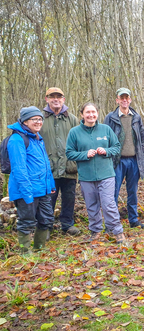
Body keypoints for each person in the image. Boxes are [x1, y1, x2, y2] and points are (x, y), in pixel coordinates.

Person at [66, 103, 125, 243]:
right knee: (92, 205)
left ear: (97, 113)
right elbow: (69, 153)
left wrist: (106, 151)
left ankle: (117, 231)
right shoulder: (74, 132)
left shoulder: (106, 129)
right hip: (86, 176)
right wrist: (84, 154)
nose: (91, 115)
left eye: (93, 112)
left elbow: (116, 147)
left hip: (106, 174)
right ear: (82, 114)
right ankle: (95, 231)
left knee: (108, 204)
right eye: (87, 112)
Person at [7, 106, 55, 253]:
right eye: (34, 119)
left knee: (46, 219)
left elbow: (45, 164)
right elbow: (19, 169)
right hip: (26, 191)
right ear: (25, 121)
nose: (38, 122)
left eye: (40, 119)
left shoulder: (37, 138)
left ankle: (39, 249)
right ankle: (25, 253)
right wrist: (27, 193)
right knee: (26, 222)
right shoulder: (16, 140)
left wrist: (51, 185)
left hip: (43, 189)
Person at [103, 88, 144, 229]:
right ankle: (112, 223)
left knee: (132, 192)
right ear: (117, 100)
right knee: (113, 192)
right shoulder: (111, 117)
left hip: (133, 160)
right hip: (117, 161)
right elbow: (105, 139)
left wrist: (142, 160)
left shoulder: (137, 117)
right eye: (121, 98)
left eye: (126, 98)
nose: (124, 100)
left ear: (130, 100)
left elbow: (141, 140)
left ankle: (133, 220)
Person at [40, 87, 80, 236]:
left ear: (63, 99)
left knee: (69, 197)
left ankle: (67, 224)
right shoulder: (40, 119)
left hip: (69, 166)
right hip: (48, 168)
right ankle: (46, 227)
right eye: (52, 97)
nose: (55, 99)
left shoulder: (72, 119)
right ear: (47, 99)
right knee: (48, 199)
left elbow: (79, 141)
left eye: (59, 96)